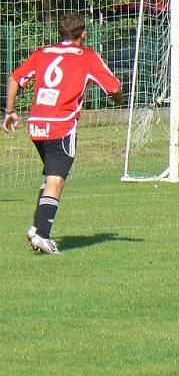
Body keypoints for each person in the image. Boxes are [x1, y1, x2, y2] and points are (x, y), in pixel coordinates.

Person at [3, 13, 123, 254]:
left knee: (50, 176)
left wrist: (10, 111)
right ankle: (42, 236)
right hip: (61, 124)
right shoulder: (87, 56)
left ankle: (36, 228)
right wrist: (119, 100)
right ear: (83, 34)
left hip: (37, 124)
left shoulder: (42, 52)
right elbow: (114, 87)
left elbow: (14, 78)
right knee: (56, 180)